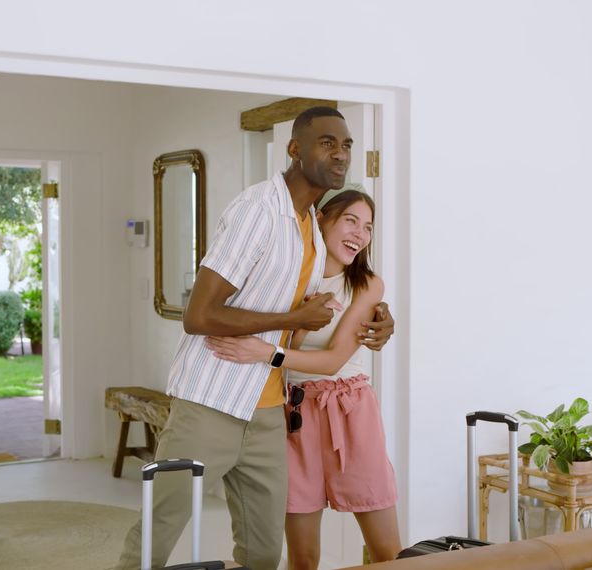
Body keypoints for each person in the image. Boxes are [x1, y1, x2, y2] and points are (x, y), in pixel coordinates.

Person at [115, 106, 394, 570]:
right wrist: (292, 317)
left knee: (263, 551)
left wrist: (382, 316)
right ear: (294, 149)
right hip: (212, 399)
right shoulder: (257, 210)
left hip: (269, 411)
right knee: (161, 526)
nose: (340, 153)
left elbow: (335, 290)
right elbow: (198, 314)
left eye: (345, 145)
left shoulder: (308, 226)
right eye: (327, 142)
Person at [205, 186, 400, 569]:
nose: (360, 234)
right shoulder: (288, 278)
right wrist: (302, 325)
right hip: (294, 415)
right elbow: (280, 334)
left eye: (368, 227)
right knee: (303, 559)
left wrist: (266, 354)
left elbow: (332, 362)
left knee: (387, 553)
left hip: (350, 411)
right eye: (350, 220)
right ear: (321, 219)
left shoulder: (367, 284)